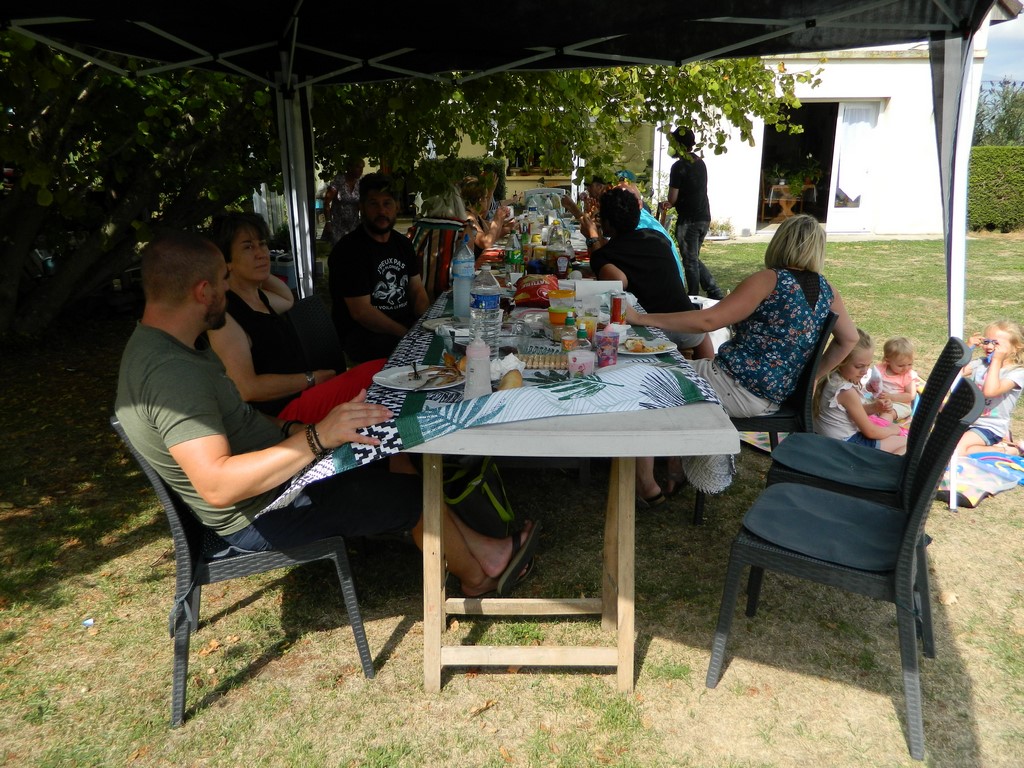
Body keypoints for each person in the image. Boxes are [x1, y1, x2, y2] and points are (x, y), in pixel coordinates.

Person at [114, 230, 540, 598]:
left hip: (277, 480)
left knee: (391, 452)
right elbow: (218, 486)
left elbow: (238, 418)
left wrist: (293, 428)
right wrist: (316, 438)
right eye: (223, 283)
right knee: (411, 496)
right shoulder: (172, 374)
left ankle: (486, 553)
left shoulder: (175, 346)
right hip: (259, 513)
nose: (228, 293)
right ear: (202, 291)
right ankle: (478, 576)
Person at [625, 214, 859, 494]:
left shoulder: (770, 280)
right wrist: (810, 379)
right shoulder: (828, 291)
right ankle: (674, 463)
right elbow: (850, 339)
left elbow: (709, 321)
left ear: (780, 241)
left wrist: (642, 319)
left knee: (645, 376)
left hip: (736, 387)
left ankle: (647, 483)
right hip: (768, 396)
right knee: (666, 370)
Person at [583, 185, 712, 506]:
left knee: (633, 381)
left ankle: (647, 483)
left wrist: (594, 245)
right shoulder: (656, 238)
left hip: (655, 334)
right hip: (690, 327)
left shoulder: (607, 255)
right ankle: (679, 454)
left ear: (606, 224)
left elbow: (615, 285)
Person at [206, 211, 385, 422]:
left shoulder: (259, 297)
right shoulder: (226, 317)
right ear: (226, 260)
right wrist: (311, 379)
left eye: (262, 244)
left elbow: (287, 299)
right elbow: (247, 389)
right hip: (283, 414)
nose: (261, 253)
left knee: (384, 371)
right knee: (379, 373)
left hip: (305, 396)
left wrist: (262, 270)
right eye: (248, 247)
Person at [329, 173, 430, 365]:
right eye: (373, 204)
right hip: (366, 339)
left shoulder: (403, 244)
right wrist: (406, 334)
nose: (381, 211)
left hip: (402, 331)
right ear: (361, 207)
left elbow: (417, 290)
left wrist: (426, 323)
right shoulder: (349, 251)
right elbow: (362, 313)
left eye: (387, 203)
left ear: (397, 206)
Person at [813, 328, 907, 454]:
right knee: (909, 444)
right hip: (845, 446)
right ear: (841, 361)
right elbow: (871, 432)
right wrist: (893, 430)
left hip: (827, 440)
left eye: (868, 365)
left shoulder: (830, 377)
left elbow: (851, 411)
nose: (865, 371)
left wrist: (875, 407)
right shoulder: (846, 391)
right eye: (859, 366)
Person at [666, 126, 723, 300]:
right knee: (692, 258)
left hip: (688, 221)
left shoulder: (679, 167)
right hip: (704, 217)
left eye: (673, 143)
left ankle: (692, 298)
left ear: (679, 145)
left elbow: (672, 198)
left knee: (690, 261)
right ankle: (713, 291)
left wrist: (667, 203)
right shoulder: (700, 163)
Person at [956, 320, 1024, 456]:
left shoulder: (1017, 373)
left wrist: (996, 361)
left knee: (956, 450)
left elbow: (990, 391)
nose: (989, 346)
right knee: (954, 449)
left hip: (989, 427)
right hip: (967, 420)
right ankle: (1005, 447)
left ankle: (1011, 450)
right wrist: (967, 349)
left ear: (1016, 347)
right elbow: (956, 373)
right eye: (986, 342)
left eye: (996, 343)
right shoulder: (981, 363)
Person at [868, 336, 919, 422]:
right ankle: (865, 422)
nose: (906, 368)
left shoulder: (908, 375)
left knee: (888, 413)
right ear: (888, 361)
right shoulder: (880, 369)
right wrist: (870, 387)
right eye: (901, 365)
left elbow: (910, 396)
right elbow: (872, 383)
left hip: (899, 404)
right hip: (878, 401)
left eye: (910, 364)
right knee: (860, 405)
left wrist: (892, 397)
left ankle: (881, 425)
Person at [323, 157, 365, 245]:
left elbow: (361, 205)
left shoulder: (360, 183)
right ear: (350, 167)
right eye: (358, 167)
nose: (361, 170)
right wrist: (328, 222)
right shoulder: (339, 180)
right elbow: (327, 202)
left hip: (353, 226)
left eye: (362, 167)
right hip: (337, 225)